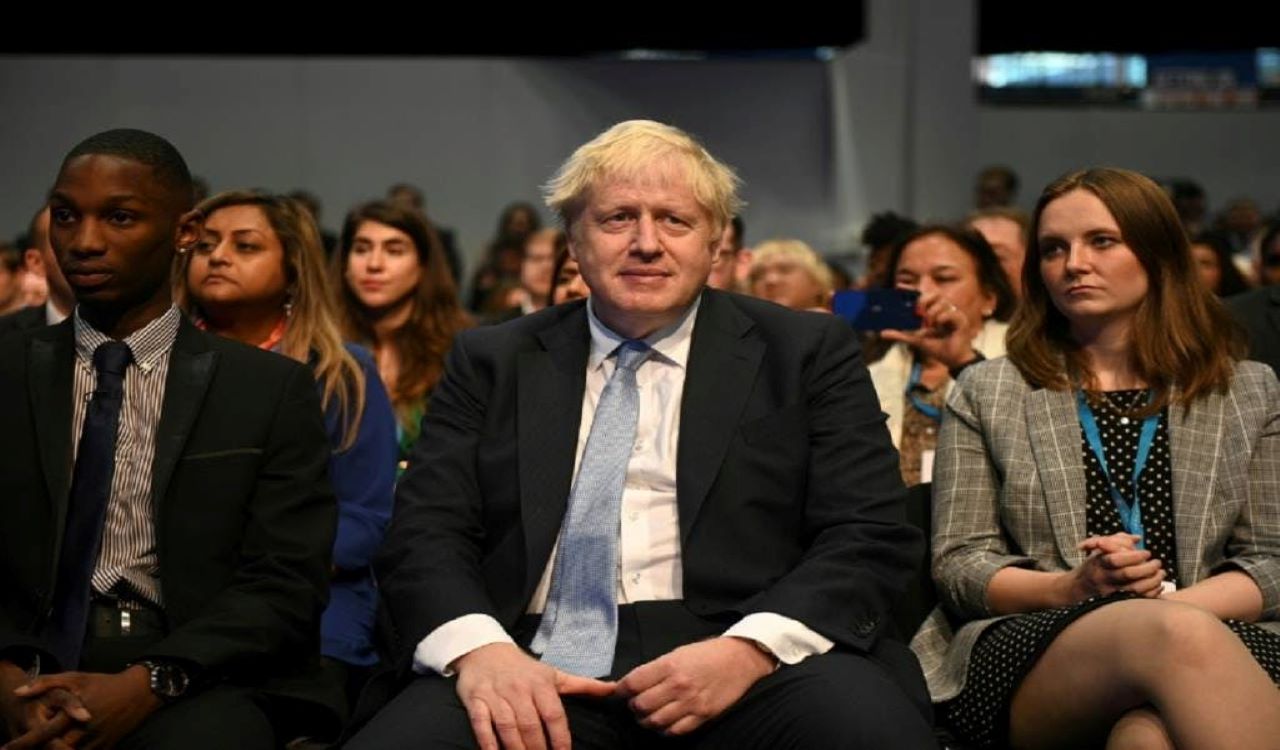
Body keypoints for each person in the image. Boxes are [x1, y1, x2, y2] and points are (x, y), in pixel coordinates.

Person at [347, 119, 933, 749]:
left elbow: (867, 530)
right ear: (574, 241)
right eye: (618, 218)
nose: (647, 243)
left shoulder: (803, 351)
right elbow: (425, 532)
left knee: (865, 727)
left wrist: (749, 649)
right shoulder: (492, 360)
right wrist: (481, 651)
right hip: (527, 659)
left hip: (754, 655)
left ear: (715, 243)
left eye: (675, 221)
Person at [913, 167, 1280, 749]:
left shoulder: (1248, 390)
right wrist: (1073, 588)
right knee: (1172, 638)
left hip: (1218, 628)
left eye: (1101, 241)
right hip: (1039, 641)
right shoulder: (990, 390)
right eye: (1053, 249)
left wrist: (1166, 610)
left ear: (1157, 253)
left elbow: (1272, 561)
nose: (1074, 264)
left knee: (1146, 739)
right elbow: (960, 564)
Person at [0, 129, 341, 748]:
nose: (84, 241)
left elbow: (286, 580)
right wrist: (4, 680)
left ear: (186, 232)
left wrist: (151, 681)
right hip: (23, 652)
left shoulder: (266, 389)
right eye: (66, 216)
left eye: (120, 217)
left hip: (195, 663)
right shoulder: (7, 368)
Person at [175, 190, 397, 709]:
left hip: (311, 602)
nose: (218, 256)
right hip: (175, 599)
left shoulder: (342, 373)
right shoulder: (154, 365)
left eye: (245, 246)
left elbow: (364, 522)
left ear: (293, 269)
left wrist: (252, 574)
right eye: (205, 245)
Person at [870, 225, 1016, 485]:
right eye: (907, 280)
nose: (923, 293)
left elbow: (1026, 448)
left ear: (989, 298)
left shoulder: (1028, 360)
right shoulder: (866, 372)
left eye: (944, 278)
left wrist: (963, 361)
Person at [334, 201, 471, 466]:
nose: (374, 264)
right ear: (345, 265)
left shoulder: (460, 350)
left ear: (422, 265)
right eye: (361, 249)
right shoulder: (319, 347)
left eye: (394, 251)